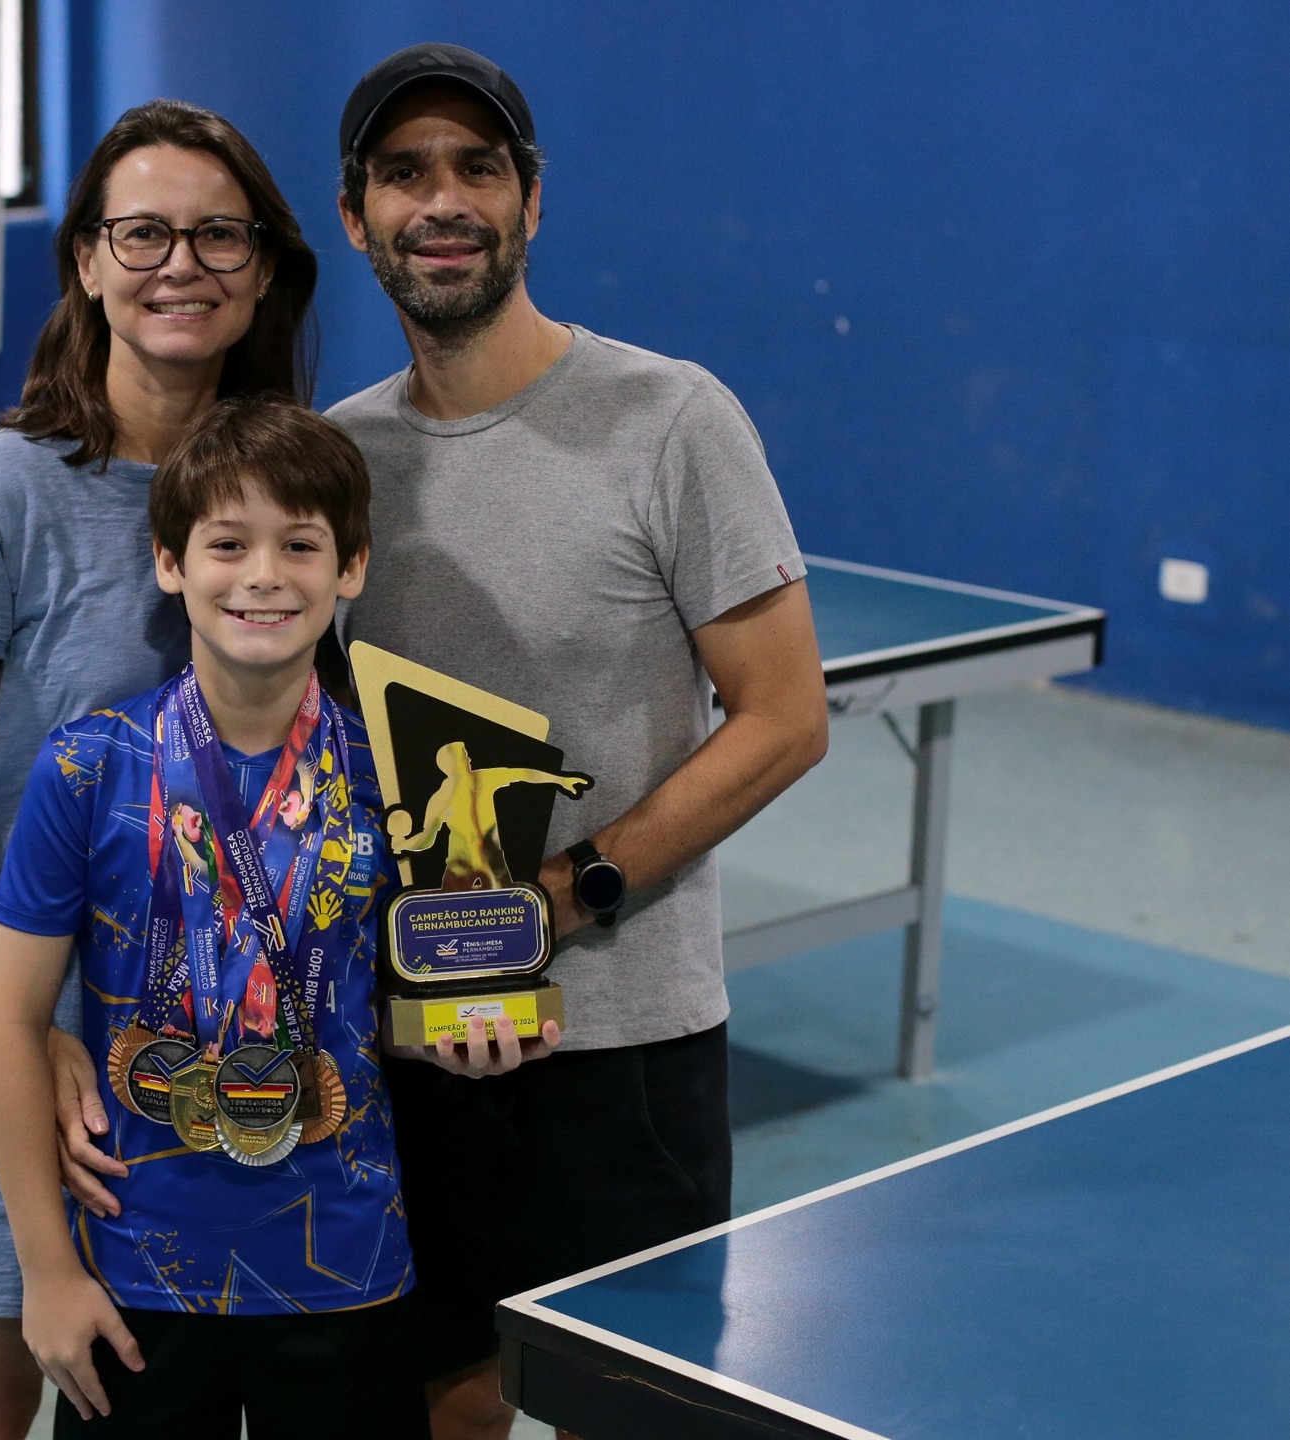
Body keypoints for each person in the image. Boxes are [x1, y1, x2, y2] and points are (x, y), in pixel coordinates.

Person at [327, 42, 832, 1440]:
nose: (443, 202)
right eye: (405, 173)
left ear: (530, 201)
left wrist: (571, 893)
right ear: (355, 211)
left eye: (476, 169)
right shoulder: (331, 459)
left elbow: (787, 718)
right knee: (443, 1400)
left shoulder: (671, 419)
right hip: (405, 1040)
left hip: (624, 1041)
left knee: (641, 1413)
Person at [0, 100, 319, 1439]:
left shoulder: (285, 494)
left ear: (260, 271)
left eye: (215, 235)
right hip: (25, 1033)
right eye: (142, 233)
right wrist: (35, 1029)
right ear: (85, 259)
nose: (178, 264)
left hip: (223, 1044)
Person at [0, 396, 424, 1438]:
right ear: (170, 562)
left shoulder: (386, 771)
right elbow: (4, 1022)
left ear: (350, 566)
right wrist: (46, 1272)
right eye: (227, 543)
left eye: (299, 544)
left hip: (342, 1260)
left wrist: (471, 1034)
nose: (262, 574)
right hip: (136, 1270)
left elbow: (405, 999)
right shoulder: (89, 764)